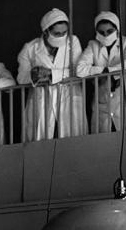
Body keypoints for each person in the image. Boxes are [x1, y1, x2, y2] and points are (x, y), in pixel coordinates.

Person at [17, 8, 87, 142]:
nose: (61, 36)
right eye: (57, 33)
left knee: (73, 145)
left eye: (64, 32)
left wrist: (50, 74)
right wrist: (34, 74)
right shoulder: (30, 48)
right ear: (45, 31)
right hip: (42, 101)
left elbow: (78, 70)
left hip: (69, 97)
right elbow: (21, 78)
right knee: (40, 146)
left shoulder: (73, 41)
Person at [76, 11, 126, 134]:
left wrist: (107, 73)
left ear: (117, 29)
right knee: (101, 145)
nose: (105, 35)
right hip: (101, 104)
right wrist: (104, 71)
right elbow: (80, 69)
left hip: (123, 102)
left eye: (109, 31)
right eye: (101, 32)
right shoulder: (93, 45)